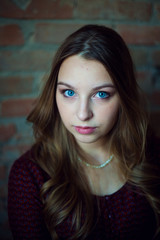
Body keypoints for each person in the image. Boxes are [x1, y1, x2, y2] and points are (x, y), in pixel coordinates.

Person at [8, 24, 160, 240]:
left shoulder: (154, 155)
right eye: (69, 92)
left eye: (101, 95)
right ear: (54, 93)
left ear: (124, 96)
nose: (82, 114)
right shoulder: (29, 175)